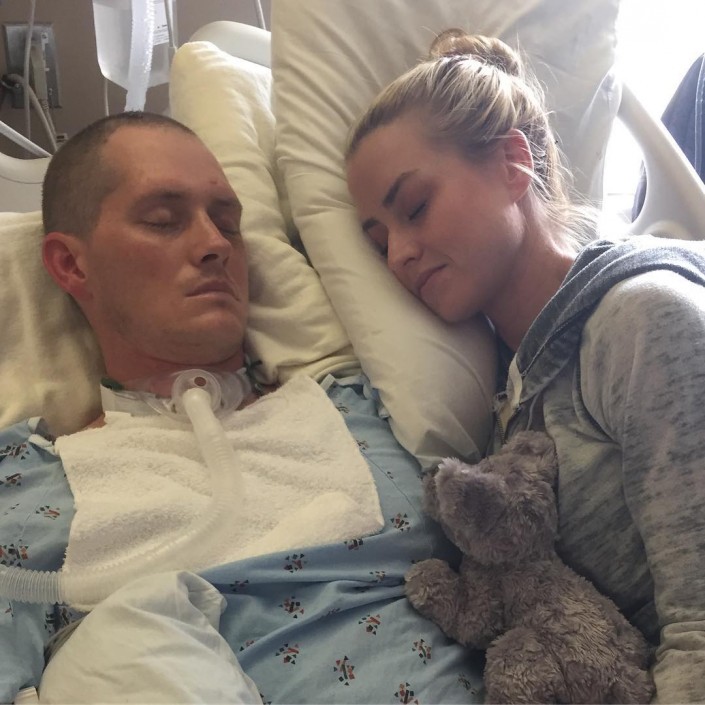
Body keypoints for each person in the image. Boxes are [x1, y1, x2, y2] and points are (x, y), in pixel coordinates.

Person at [0, 112, 485, 704]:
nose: (214, 245)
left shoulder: (365, 407)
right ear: (71, 265)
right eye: (162, 221)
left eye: (228, 224)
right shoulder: (34, 492)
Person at [345, 29, 705, 703]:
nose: (397, 255)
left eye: (414, 208)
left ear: (513, 163)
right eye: (378, 241)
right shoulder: (511, 396)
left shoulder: (641, 324)